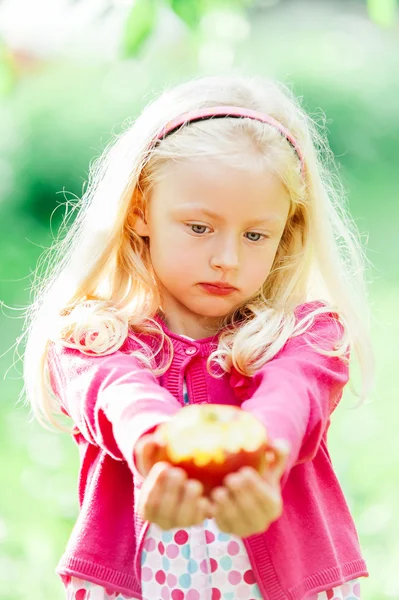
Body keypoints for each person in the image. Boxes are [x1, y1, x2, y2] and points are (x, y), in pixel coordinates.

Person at [22, 74, 374, 600]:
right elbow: (117, 394)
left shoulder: (307, 335)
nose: (226, 258)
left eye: (256, 235)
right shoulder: (93, 337)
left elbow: (293, 398)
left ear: (288, 234)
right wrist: (158, 445)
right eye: (199, 227)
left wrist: (262, 455)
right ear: (140, 210)